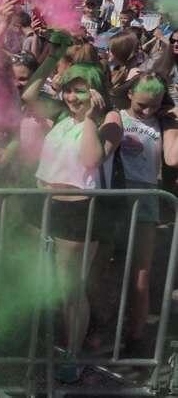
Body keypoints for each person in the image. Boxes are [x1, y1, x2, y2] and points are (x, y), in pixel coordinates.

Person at [23, 63, 122, 382]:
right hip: (43, 208)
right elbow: (28, 95)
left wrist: (90, 118)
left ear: (95, 91)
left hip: (78, 213)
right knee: (45, 283)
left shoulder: (109, 121)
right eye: (68, 89)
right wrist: (52, 55)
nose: (71, 97)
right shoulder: (62, 117)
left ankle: (72, 354)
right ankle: (45, 345)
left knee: (71, 289)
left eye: (80, 90)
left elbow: (91, 160)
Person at [104, 74, 178, 357]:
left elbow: (172, 158)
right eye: (142, 105)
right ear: (130, 94)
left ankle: (135, 338)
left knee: (141, 274)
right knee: (104, 266)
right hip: (113, 197)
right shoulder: (117, 116)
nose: (147, 111)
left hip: (146, 199)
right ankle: (101, 328)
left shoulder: (164, 122)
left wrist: (173, 120)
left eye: (154, 105)